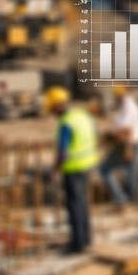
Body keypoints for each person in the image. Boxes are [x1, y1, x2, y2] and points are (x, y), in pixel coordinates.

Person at [46, 86, 97, 253]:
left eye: (52, 108)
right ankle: (86, 239)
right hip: (87, 165)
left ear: (57, 105)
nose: (52, 112)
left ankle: (77, 244)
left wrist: (55, 170)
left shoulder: (66, 123)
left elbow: (63, 152)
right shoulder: (82, 115)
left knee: (74, 205)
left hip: (73, 168)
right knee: (82, 203)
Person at [99, 84, 138, 207]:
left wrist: (127, 148)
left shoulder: (129, 107)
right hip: (126, 143)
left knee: (104, 169)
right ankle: (126, 197)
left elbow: (126, 131)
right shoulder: (125, 106)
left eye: (116, 96)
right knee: (129, 170)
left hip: (125, 144)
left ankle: (120, 198)